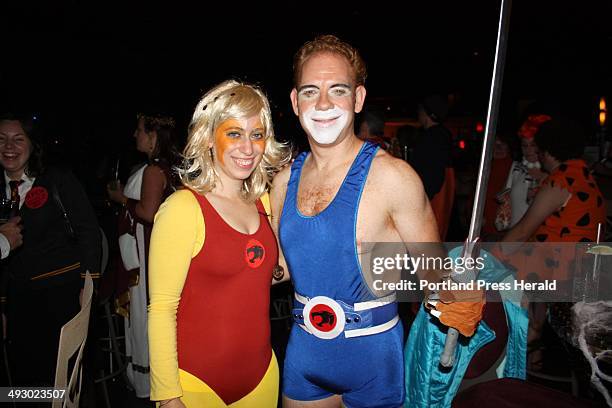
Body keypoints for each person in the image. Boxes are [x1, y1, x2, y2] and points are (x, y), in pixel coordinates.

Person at [270, 34, 440, 408]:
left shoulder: (395, 178)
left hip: (375, 360)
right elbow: (278, 269)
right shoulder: (282, 181)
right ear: (296, 102)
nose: (325, 103)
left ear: (359, 98)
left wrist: (456, 293)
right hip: (304, 355)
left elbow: (434, 274)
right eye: (311, 91)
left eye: (338, 90)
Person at [147, 80, 290, 407]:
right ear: (209, 138)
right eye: (234, 133)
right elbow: (162, 309)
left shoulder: (264, 203)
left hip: (261, 379)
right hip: (195, 385)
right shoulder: (183, 209)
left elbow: (275, 272)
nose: (248, 147)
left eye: (257, 135)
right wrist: (168, 396)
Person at [0, 112, 101, 386]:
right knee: (22, 380)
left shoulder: (57, 179)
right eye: (2, 139)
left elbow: (88, 231)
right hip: (19, 302)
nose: (9, 147)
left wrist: (87, 286)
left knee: (59, 377)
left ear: (32, 145)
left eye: (18, 139)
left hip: (61, 294)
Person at [107, 113, 180, 398]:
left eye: (139, 130)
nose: (134, 135)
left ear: (153, 136)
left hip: (149, 254)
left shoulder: (153, 170)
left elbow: (148, 213)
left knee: (147, 313)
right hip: (165, 250)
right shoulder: (174, 166)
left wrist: (121, 198)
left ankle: (150, 383)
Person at [495, 114, 551, 232]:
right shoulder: (516, 169)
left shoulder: (554, 173)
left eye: (533, 145)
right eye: (525, 145)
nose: (528, 149)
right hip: (516, 239)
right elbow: (503, 199)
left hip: (544, 240)